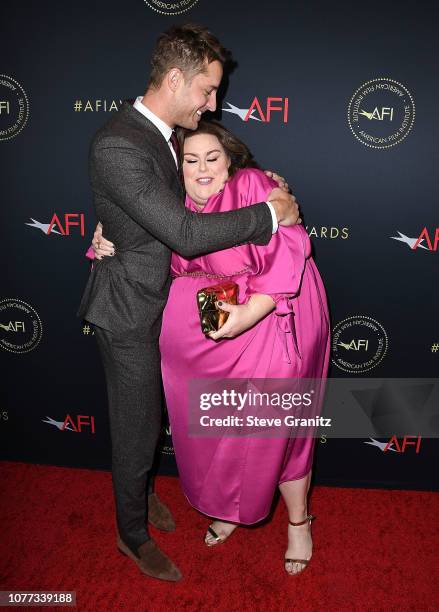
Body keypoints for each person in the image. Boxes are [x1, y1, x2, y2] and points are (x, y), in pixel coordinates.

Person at [78, 23, 300, 583]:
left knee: (150, 422)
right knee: (135, 425)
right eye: (207, 90)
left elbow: (191, 192)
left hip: (164, 307)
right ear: (175, 80)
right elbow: (184, 231)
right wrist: (272, 214)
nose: (214, 102)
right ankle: (132, 533)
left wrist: (259, 180)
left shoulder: (168, 137)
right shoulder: (119, 141)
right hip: (128, 308)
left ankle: (143, 490)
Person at [92, 120, 330, 577]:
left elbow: (290, 247)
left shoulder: (253, 186)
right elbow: (137, 247)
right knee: (217, 426)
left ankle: (299, 522)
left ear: (230, 160)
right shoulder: (169, 207)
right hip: (206, 343)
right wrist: (105, 240)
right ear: (174, 170)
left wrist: (249, 312)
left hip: (271, 320)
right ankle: (232, 507)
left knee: (277, 429)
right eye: (190, 161)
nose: (202, 170)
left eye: (212, 158)